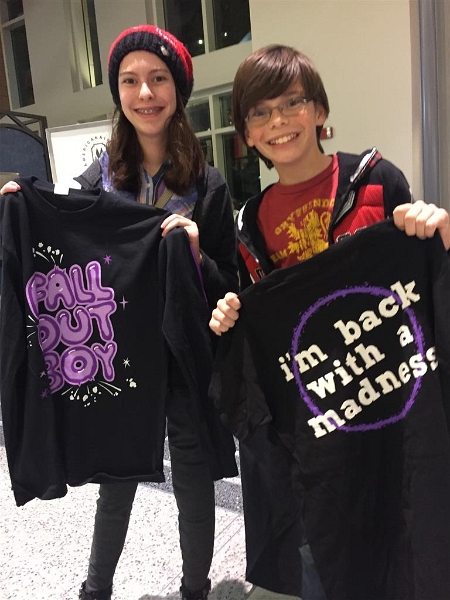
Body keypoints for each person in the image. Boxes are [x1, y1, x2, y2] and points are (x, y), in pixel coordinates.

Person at [1, 25, 238, 600]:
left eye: (158, 79)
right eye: (130, 81)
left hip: (182, 354)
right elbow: (65, 242)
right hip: (117, 351)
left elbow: (227, 285)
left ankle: (195, 589)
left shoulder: (207, 185)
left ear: (178, 90)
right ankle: (96, 590)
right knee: (118, 476)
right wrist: (23, 209)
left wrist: (196, 252)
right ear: (118, 94)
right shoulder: (97, 181)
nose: (145, 93)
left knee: (192, 478)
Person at [208, 44, 450, 600]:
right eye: (260, 112)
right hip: (320, 436)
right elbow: (260, 323)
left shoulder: (377, 181)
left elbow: (424, 282)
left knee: (411, 542)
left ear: (318, 110)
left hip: (397, 411)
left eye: (292, 102)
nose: (278, 121)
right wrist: (228, 315)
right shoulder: (249, 223)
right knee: (327, 558)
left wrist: (433, 227)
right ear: (247, 134)